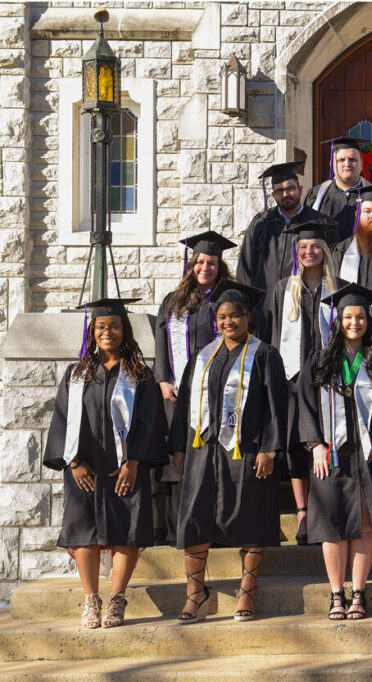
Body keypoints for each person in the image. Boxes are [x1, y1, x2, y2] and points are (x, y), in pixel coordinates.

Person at [43, 298, 167, 629]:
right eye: (101, 327)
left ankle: (117, 598)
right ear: (92, 332)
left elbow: (149, 422)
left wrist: (134, 462)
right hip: (84, 468)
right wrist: (72, 463)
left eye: (114, 326)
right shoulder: (76, 373)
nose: (107, 332)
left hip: (125, 468)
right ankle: (91, 599)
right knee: (84, 532)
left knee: (126, 529)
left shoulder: (139, 375)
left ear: (124, 330)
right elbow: (62, 418)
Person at [170, 280, 288, 623]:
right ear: (215, 319)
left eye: (236, 315)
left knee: (250, 517)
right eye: (222, 316)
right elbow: (183, 408)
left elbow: (276, 408)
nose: (228, 322)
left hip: (247, 452)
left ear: (248, 317)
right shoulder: (202, 357)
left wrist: (269, 448)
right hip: (202, 452)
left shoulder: (265, 354)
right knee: (194, 518)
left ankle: (247, 591)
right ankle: (195, 593)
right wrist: (179, 448)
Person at [297, 282, 372, 620]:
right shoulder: (320, 361)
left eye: (360, 317)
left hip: (368, 454)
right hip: (331, 453)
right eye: (348, 317)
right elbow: (305, 405)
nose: (354, 323)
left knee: (364, 522)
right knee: (332, 524)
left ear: (367, 321)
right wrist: (314, 445)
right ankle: (336, 594)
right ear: (338, 321)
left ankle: (358, 592)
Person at [153, 231, 235, 546]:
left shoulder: (227, 300)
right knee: (179, 459)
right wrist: (162, 380)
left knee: (215, 455)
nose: (205, 267)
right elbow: (162, 344)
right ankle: (178, 529)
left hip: (216, 395)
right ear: (192, 264)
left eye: (211, 262)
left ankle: (215, 527)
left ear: (219, 265)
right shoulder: (173, 302)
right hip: (177, 394)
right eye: (200, 261)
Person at [263, 222, 340, 546]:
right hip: (292, 379)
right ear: (297, 252)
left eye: (316, 247)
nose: (310, 252)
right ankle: (303, 512)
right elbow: (274, 334)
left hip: (328, 379)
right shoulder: (284, 289)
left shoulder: (336, 290)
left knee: (324, 441)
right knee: (297, 447)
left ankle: (325, 509)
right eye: (304, 248)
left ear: (324, 251)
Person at [238, 160, 331, 334]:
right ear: (273, 195)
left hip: (305, 308)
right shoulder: (261, 223)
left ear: (300, 190)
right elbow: (245, 268)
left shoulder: (319, 222)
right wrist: (247, 308)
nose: (286, 194)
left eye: (290, 188)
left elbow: (331, 267)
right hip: (264, 311)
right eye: (280, 191)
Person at [304, 136, 370, 239]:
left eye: (352, 159)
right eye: (341, 160)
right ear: (331, 165)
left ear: (361, 164)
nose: (347, 164)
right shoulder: (315, 195)